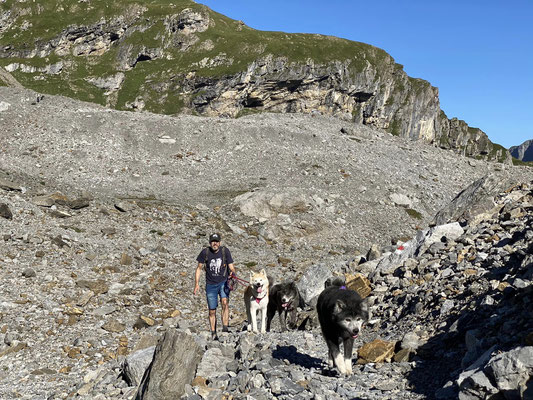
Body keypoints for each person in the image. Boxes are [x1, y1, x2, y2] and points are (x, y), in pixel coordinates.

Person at [193, 233, 236, 340]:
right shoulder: (205, 252)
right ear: (210, 243)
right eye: (213, 241)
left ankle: (225, 328)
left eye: (216, 241)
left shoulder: (225, 251)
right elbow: (199, 268)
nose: (215, 243)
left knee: (225, 302)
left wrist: (232, 273)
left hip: (223, 281)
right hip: (210, 284)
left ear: (219, 242)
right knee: (212, 310)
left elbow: (231, 266)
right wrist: (196, 284)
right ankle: (213, 332)